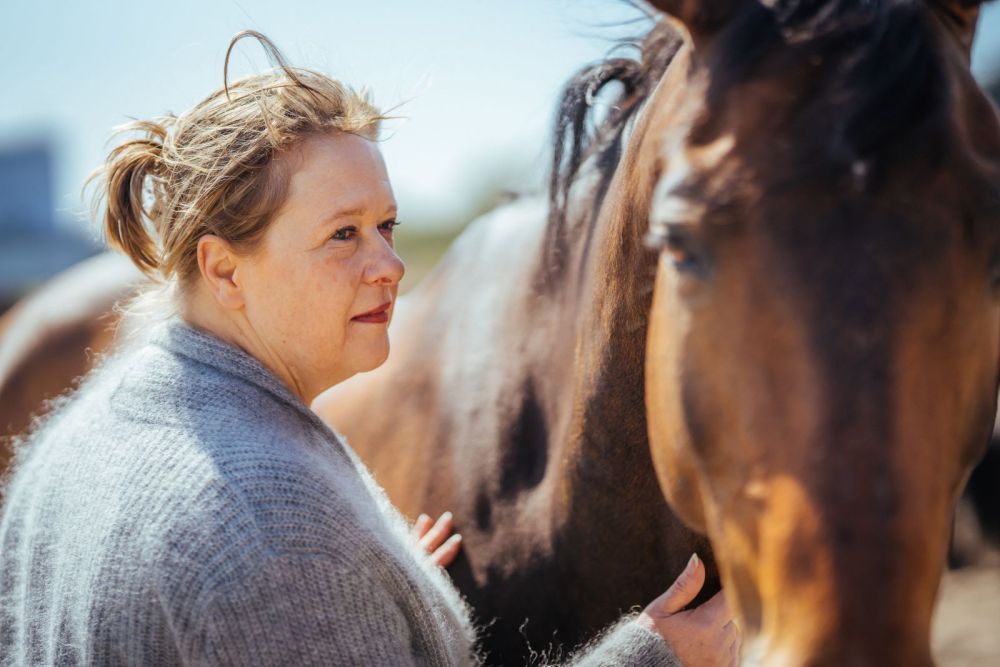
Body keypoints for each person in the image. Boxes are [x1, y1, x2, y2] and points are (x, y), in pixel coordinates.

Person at [0, 32, 739, 666]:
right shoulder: (275, 531)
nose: (389, 264)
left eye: (387, 225)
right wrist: (653, 658)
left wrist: (372, 600)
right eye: (343, 234)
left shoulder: (83, 425)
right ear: (224, 269)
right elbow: (256, 555)